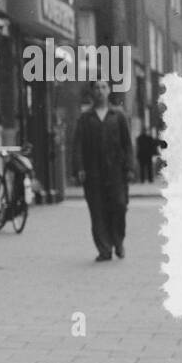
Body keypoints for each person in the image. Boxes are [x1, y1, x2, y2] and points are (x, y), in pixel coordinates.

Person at [71, 78, 134, 261]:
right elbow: (77, 145)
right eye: (96, 87)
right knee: (98, 211)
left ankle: (118, 241)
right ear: (92, 92)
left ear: (109, 91)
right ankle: (104, 249)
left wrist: (130, 167)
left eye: (103, 87)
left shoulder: (118, 116)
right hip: (93, 173)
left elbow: (127, 144)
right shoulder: (85, 118)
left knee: (119, 206)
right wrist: (79, 168)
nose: (100, 90)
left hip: (116, 172)